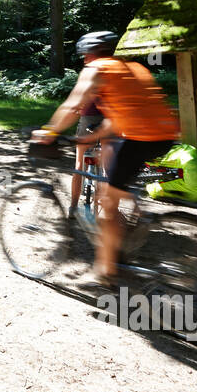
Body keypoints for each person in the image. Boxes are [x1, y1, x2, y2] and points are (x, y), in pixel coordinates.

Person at [34, 31, 180, 284]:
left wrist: (49, 132)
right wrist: (90, 138)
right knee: (118, 187)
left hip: (139, 139)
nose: (83, 61)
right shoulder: (132, 69)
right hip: (164, 136)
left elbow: (72, 106)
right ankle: (129, 232)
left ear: (89, 54)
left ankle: (105, 270)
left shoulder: (97, 68)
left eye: (84, 56)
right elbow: (118, 116)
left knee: (107, 201)